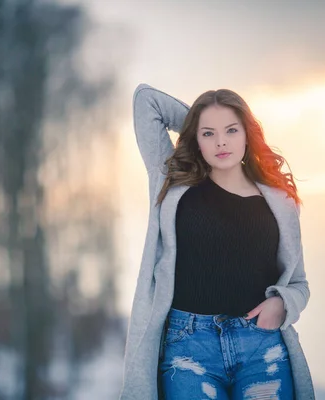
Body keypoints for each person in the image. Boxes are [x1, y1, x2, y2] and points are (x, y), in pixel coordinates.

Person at [119, 84, 314, 400]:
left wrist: (282, 304)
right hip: (188, 347)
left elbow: (299, 284)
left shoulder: (280, 203)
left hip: (260, 348)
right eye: (208, 134)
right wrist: (199, 122)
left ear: (247, 134)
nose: (221, 141)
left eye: (232, 130)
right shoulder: (174, 183)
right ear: (196, 138)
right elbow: (146, 100)